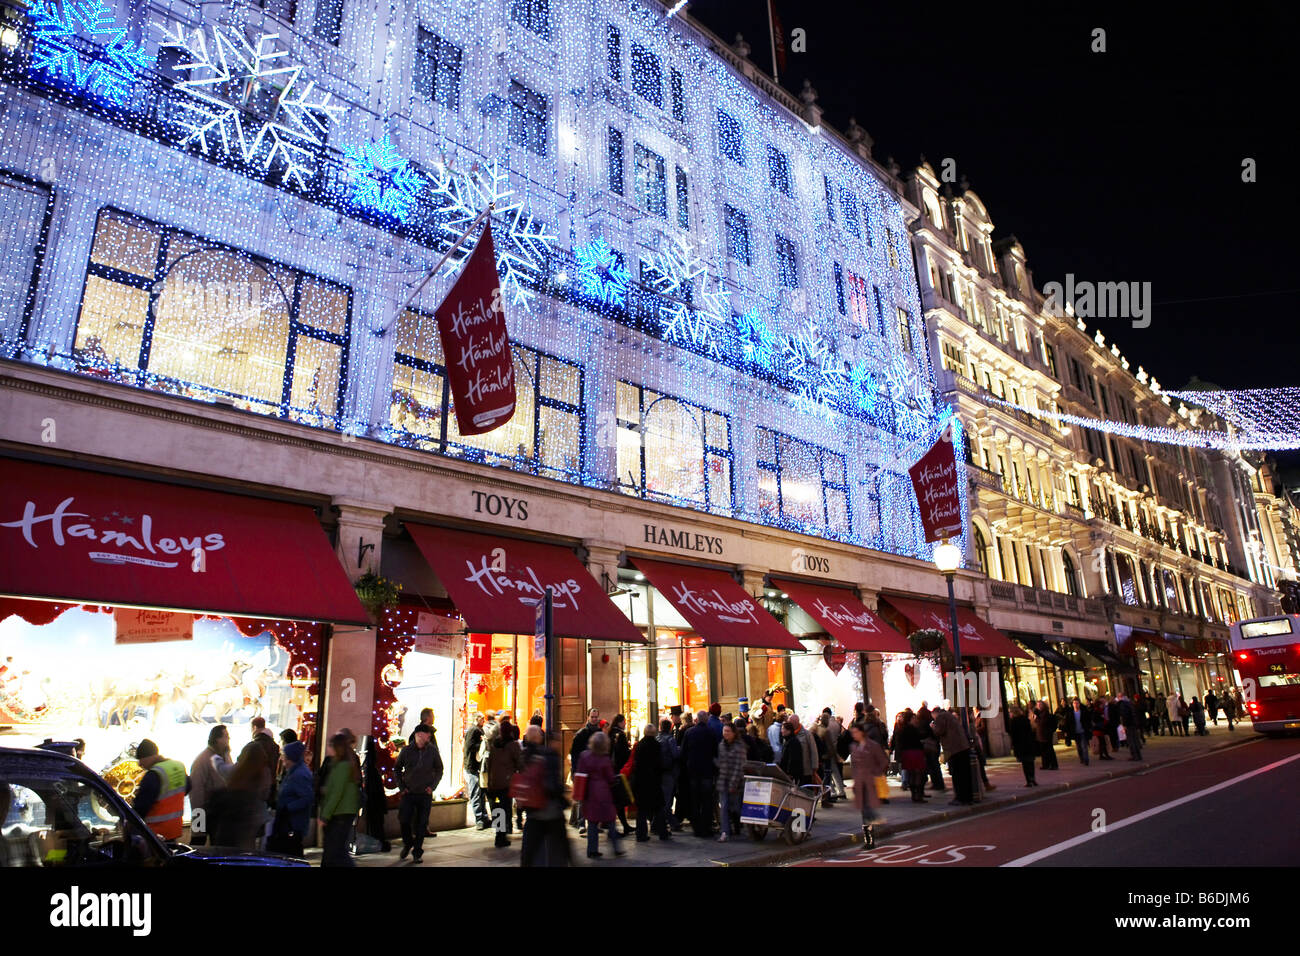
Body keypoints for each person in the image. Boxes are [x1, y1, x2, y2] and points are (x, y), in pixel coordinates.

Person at [519, 726, 570, 867]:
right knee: (559, 846)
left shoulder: (525, 755)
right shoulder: (548, 755)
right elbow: (553, 785)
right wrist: (563, 798)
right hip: (550, 809)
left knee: (530, 849)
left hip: (533, 809)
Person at [396, 723, 442, 862]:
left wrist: (432, 787)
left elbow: (439, 769)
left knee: (421, 824)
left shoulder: (432, 751)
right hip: (409, 793)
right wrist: (402, 787)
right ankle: (408, 842)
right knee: (404, 820)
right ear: (419, 735)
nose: (430, 736)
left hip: (424, 794)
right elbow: (397, 769)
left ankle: (417, 852)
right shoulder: (406, 750)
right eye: (428, 733)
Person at [576, 732, 624, 858]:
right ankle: (616, 847)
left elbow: (580, 773)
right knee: (611, 821)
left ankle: (592, 850)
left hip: (589, 792)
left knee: (592, 823)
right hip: (603, 792)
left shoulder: (584, 756)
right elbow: (610, 777)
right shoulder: (604, 758)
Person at [131, 739, 188, 842]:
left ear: (148, 757)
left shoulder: (153, 774)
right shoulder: (178, 766)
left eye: (141, 759)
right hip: (173, 830)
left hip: (155, 835)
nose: (140, 764)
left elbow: (141, 807)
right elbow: (187, 787)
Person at [318, 733, 360, 867]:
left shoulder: (342, 766)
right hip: (343, 812)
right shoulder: (346, 764)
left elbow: (337, 793)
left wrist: (325, 816)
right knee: (335, 850)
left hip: (340, 813)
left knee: (335, 851)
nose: (330, 749)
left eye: (332, 746)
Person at [188, 724, 233, 846]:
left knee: (220, 847)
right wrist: (198, 823)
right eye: (226, 737)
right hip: (206, 811)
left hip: (221, 813)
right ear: (218, 739)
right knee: (198, 844)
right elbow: (196, 793)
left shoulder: (224, 757)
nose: (229, 739)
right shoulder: (202, 761)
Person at [483, 716, 523, 847]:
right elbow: (520, 763)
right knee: (505, 809)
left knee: (498, 809)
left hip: (494, 783)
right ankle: (502, 835)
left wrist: (489, 782)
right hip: (506, 783)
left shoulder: (494, 744)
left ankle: (499, 835)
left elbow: (490, 763)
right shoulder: (513, 745)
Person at [271, 741, 313, 856]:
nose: (281, 758)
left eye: (284, 756)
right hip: (289, 823)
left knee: (291, 854)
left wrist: (287, 808)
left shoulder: (299, 774)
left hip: (293, 824)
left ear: (291, 757)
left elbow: (307, 798)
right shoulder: (293, 772)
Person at [682, 709, 719, 837]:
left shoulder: (689, 732)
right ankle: (706, 827)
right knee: (707, 800)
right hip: (707, 770)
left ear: (697, 719)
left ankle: (697, 828)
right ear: (706, 719)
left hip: (693, 770)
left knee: (695, 799)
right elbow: (715, 751)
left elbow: (683, 751)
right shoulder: (711, 732)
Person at [848, 723, 888, 839]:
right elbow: (854, 766)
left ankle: (872, 836)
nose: (854, 735)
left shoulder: (873, 745)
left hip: (871, 782)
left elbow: (884, 761)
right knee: (864, 811)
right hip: (860, 783)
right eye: (852, 733)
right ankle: (870, 839)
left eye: (856, 732)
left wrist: (875, 772)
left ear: (862, 732)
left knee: (867, 809)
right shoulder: (853, 747)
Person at [931, 704, 973, 805]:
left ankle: (960, 797)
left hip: (953, 749)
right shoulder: (950, 715)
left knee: (957, 775)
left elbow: (939, 731)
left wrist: (933, 727)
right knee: (965, 774)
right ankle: (968, 797)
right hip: (963, 747)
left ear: (934, 713)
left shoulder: (941, 717)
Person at [632, 722, 667, 841]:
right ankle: (663, 832)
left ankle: (641, 834)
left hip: (642, 781)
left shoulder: (639, 745)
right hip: (654, 781)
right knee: (659, 808)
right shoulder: (656, 745)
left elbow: (636, 763)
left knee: (641, 810)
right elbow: (660, 763)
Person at [569, 707, 600, 833]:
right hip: (583, 771)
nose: (594, 719)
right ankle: (581, 823)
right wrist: (575, 771)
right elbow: (574, 753)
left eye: (595, 717)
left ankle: (593, 824)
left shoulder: (599, 733)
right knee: (582, 798)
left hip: (595, 771)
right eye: (592, 717)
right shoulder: (581, 733)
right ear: (588, 717)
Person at [715, 722, 747, 842]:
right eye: (724, 731)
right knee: (724, 807)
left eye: (728, 731)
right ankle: (725, 832)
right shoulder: (721, 745)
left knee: (736, 808)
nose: (725, 733)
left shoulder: (740, 747)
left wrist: (734, 783)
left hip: (736, 782)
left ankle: (738, 825)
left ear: (734, 733)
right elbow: (721, 762)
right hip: (723, 781)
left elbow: (740, 766)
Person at [362, 735, 391, 852]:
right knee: (377, 824)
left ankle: (378, 842)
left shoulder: (370, 769)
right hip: (376, 799)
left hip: (373, 799)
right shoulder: (373, 768)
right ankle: (379, 841)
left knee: (375, 823)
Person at [463, 712, 490, 830]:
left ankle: (483, 818)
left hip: (476, 767)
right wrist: (482, 743)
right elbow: (469, 746)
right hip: (472, 766)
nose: (483, 720)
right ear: (476, 719)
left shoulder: (477, 730)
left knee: (479, 793)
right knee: (475, 793)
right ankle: (479, 819)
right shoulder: (474, 730)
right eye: (482, 718)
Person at [607, 714, 633, 836]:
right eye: (624, 722)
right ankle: (618, 827)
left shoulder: (610, 733)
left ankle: (624, 825)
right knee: (618, 800)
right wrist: (629, 751)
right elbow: (622, 754)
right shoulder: (620, 735)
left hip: (611, 769)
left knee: (616, 800)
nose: (625, 724)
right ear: (620, 722)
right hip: (617, 770)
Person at [895, 711, 927, 802]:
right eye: (914, 718)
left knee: (912, 774)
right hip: (915, 752)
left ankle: (914, 795)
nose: (916, 720)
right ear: (910, 719)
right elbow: (919, 738)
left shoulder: (902, 729)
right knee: (917, 773)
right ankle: (918, 795)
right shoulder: (912, 729)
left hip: (906, 753)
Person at [656, 719, 681, 832]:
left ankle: (657, 823)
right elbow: (675, 755)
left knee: (661, 798)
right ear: (670, 727)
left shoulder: (657, 738)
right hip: (669, 772)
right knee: (666, 800)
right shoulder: (670, 739)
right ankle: (670, 823)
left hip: (659, 772)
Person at [250, 717, 281, 810]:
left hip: (258, 787)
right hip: (271, 784)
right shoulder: (274, 744)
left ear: (254, 728)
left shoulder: (256, 745)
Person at [1008, 706, 1037, 787]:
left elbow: (1013, 735)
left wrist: (1013, 745)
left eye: (1010, 712)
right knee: (1030, 762)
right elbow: (1031, 730)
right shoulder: (1025, 719)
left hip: (1020, 745)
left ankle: (1029, 781)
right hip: (1029, 744)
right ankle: (1033, 778)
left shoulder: (1014, 722)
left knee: (1025, 764)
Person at [1034, 701, 1059, 770]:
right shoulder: (1039, 714)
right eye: (1038, 705)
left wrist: (1037, 717)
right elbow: (1037, 724)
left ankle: (1053, 765)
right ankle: (1046, 764)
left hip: (1046, 734)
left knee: (1049, 750)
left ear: (1043, 706)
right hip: (1041, 735)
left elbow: (1042, 723)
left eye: (1040, 705)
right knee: (1043, 751)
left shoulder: (1045, 713)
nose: (1039, 706)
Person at [1068, 696, 1093, 765]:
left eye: (1077, 703)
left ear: (1079, 704)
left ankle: (1086, 760)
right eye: (1074, 703)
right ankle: (1081, 758)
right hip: (1076, 732)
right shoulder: (1071, 712)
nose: (1076, 705)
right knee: (1079, 747)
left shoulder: (1083, 711)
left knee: (1084, 746)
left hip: (1083, 731)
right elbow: (1069, 723)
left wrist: (1089, 728)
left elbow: (1088, 720)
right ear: (1072, 704)